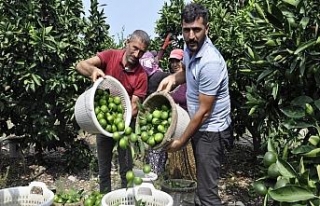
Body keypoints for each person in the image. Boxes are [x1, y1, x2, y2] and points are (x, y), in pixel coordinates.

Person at [157, 3, 233, 206]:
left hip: (211, 131)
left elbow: (204, 112)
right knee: (201, 187)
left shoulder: (211, 63)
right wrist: (174, 78)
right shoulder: (190, 48)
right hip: (200, 124)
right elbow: (190, 74)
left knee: (207, 194)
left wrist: (180, 142)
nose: (191, 36)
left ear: (207, 29)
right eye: (186, 30)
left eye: (197, 30)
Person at [75, 29, 150, 193]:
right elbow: (80, 65)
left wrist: (122, 120)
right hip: (103, 121)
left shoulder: (141, 76)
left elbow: (134, 106)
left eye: (142, 52)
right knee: (104, 168)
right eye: (135, 48)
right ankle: (104, 198)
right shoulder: (110, 55)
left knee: (126, 168)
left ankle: (127, 198)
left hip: (124, 122)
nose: (137, 54)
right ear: (127, 41)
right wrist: (93, 71)